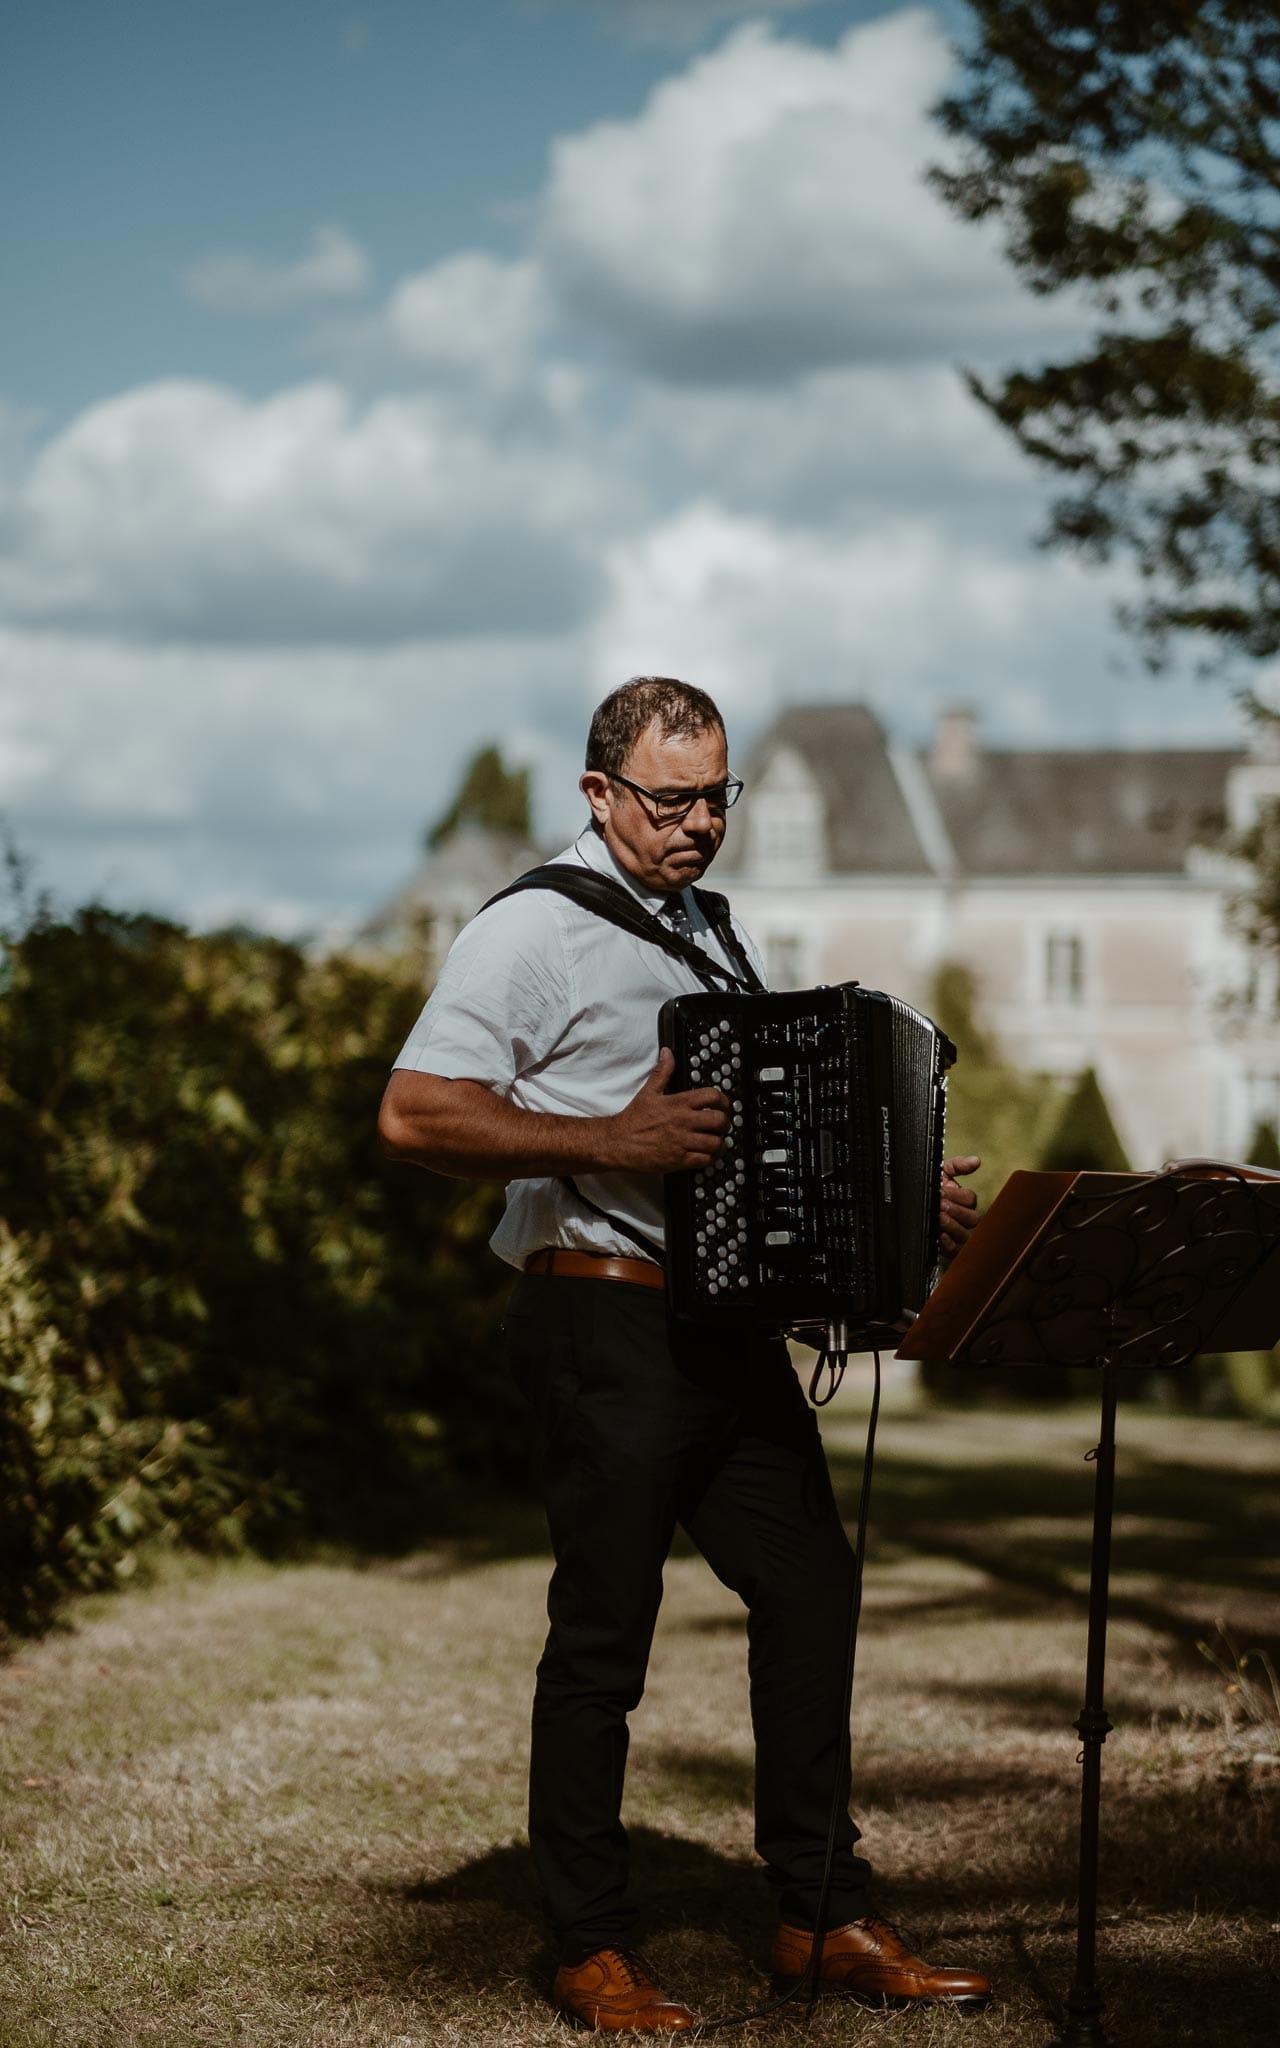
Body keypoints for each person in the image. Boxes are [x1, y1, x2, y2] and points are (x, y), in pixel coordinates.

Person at [378, 677, 990, 2032]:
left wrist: (892, 1205)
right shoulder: (534, 926)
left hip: (714, 1327)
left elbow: (750, 1139)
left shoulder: (710, 930)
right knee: (607, 1637)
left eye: (719, 796)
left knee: (811, 1586)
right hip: (596, 1315)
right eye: (673, 800)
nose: (702, 823)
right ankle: (589, 1943)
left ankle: (819, 1913)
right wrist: (610, 1140)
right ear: (600, 794)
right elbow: (416, 1112)